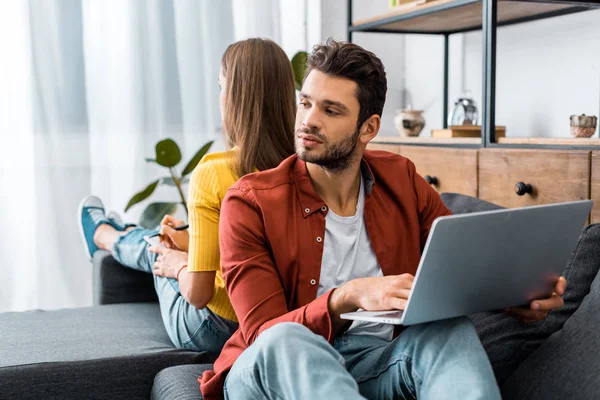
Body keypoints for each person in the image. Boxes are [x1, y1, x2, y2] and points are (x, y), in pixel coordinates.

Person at [200, 38, 567, 400]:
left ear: (368, 128)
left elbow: (460, 267)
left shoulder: (401, 179)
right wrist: (347, 297)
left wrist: (517, 296)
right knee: (287, 338)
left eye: (331, 110)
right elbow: (264, 334)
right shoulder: (251, 202)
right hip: (271, 367)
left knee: (446, 330)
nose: (308, 121)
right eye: (305, 103)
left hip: (375, 359)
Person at [77, 38, 296, 353]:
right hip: (281, 323)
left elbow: (199, 294)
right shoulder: (305, 168)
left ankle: (104, 235)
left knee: (158, 246)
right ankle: (113, 233)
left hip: (214, 329)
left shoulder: (215, 171)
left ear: (235, 97)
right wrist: (194, 242)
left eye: (221, 87)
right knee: (174, 238)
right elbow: (260, 252)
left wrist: (179, 264)